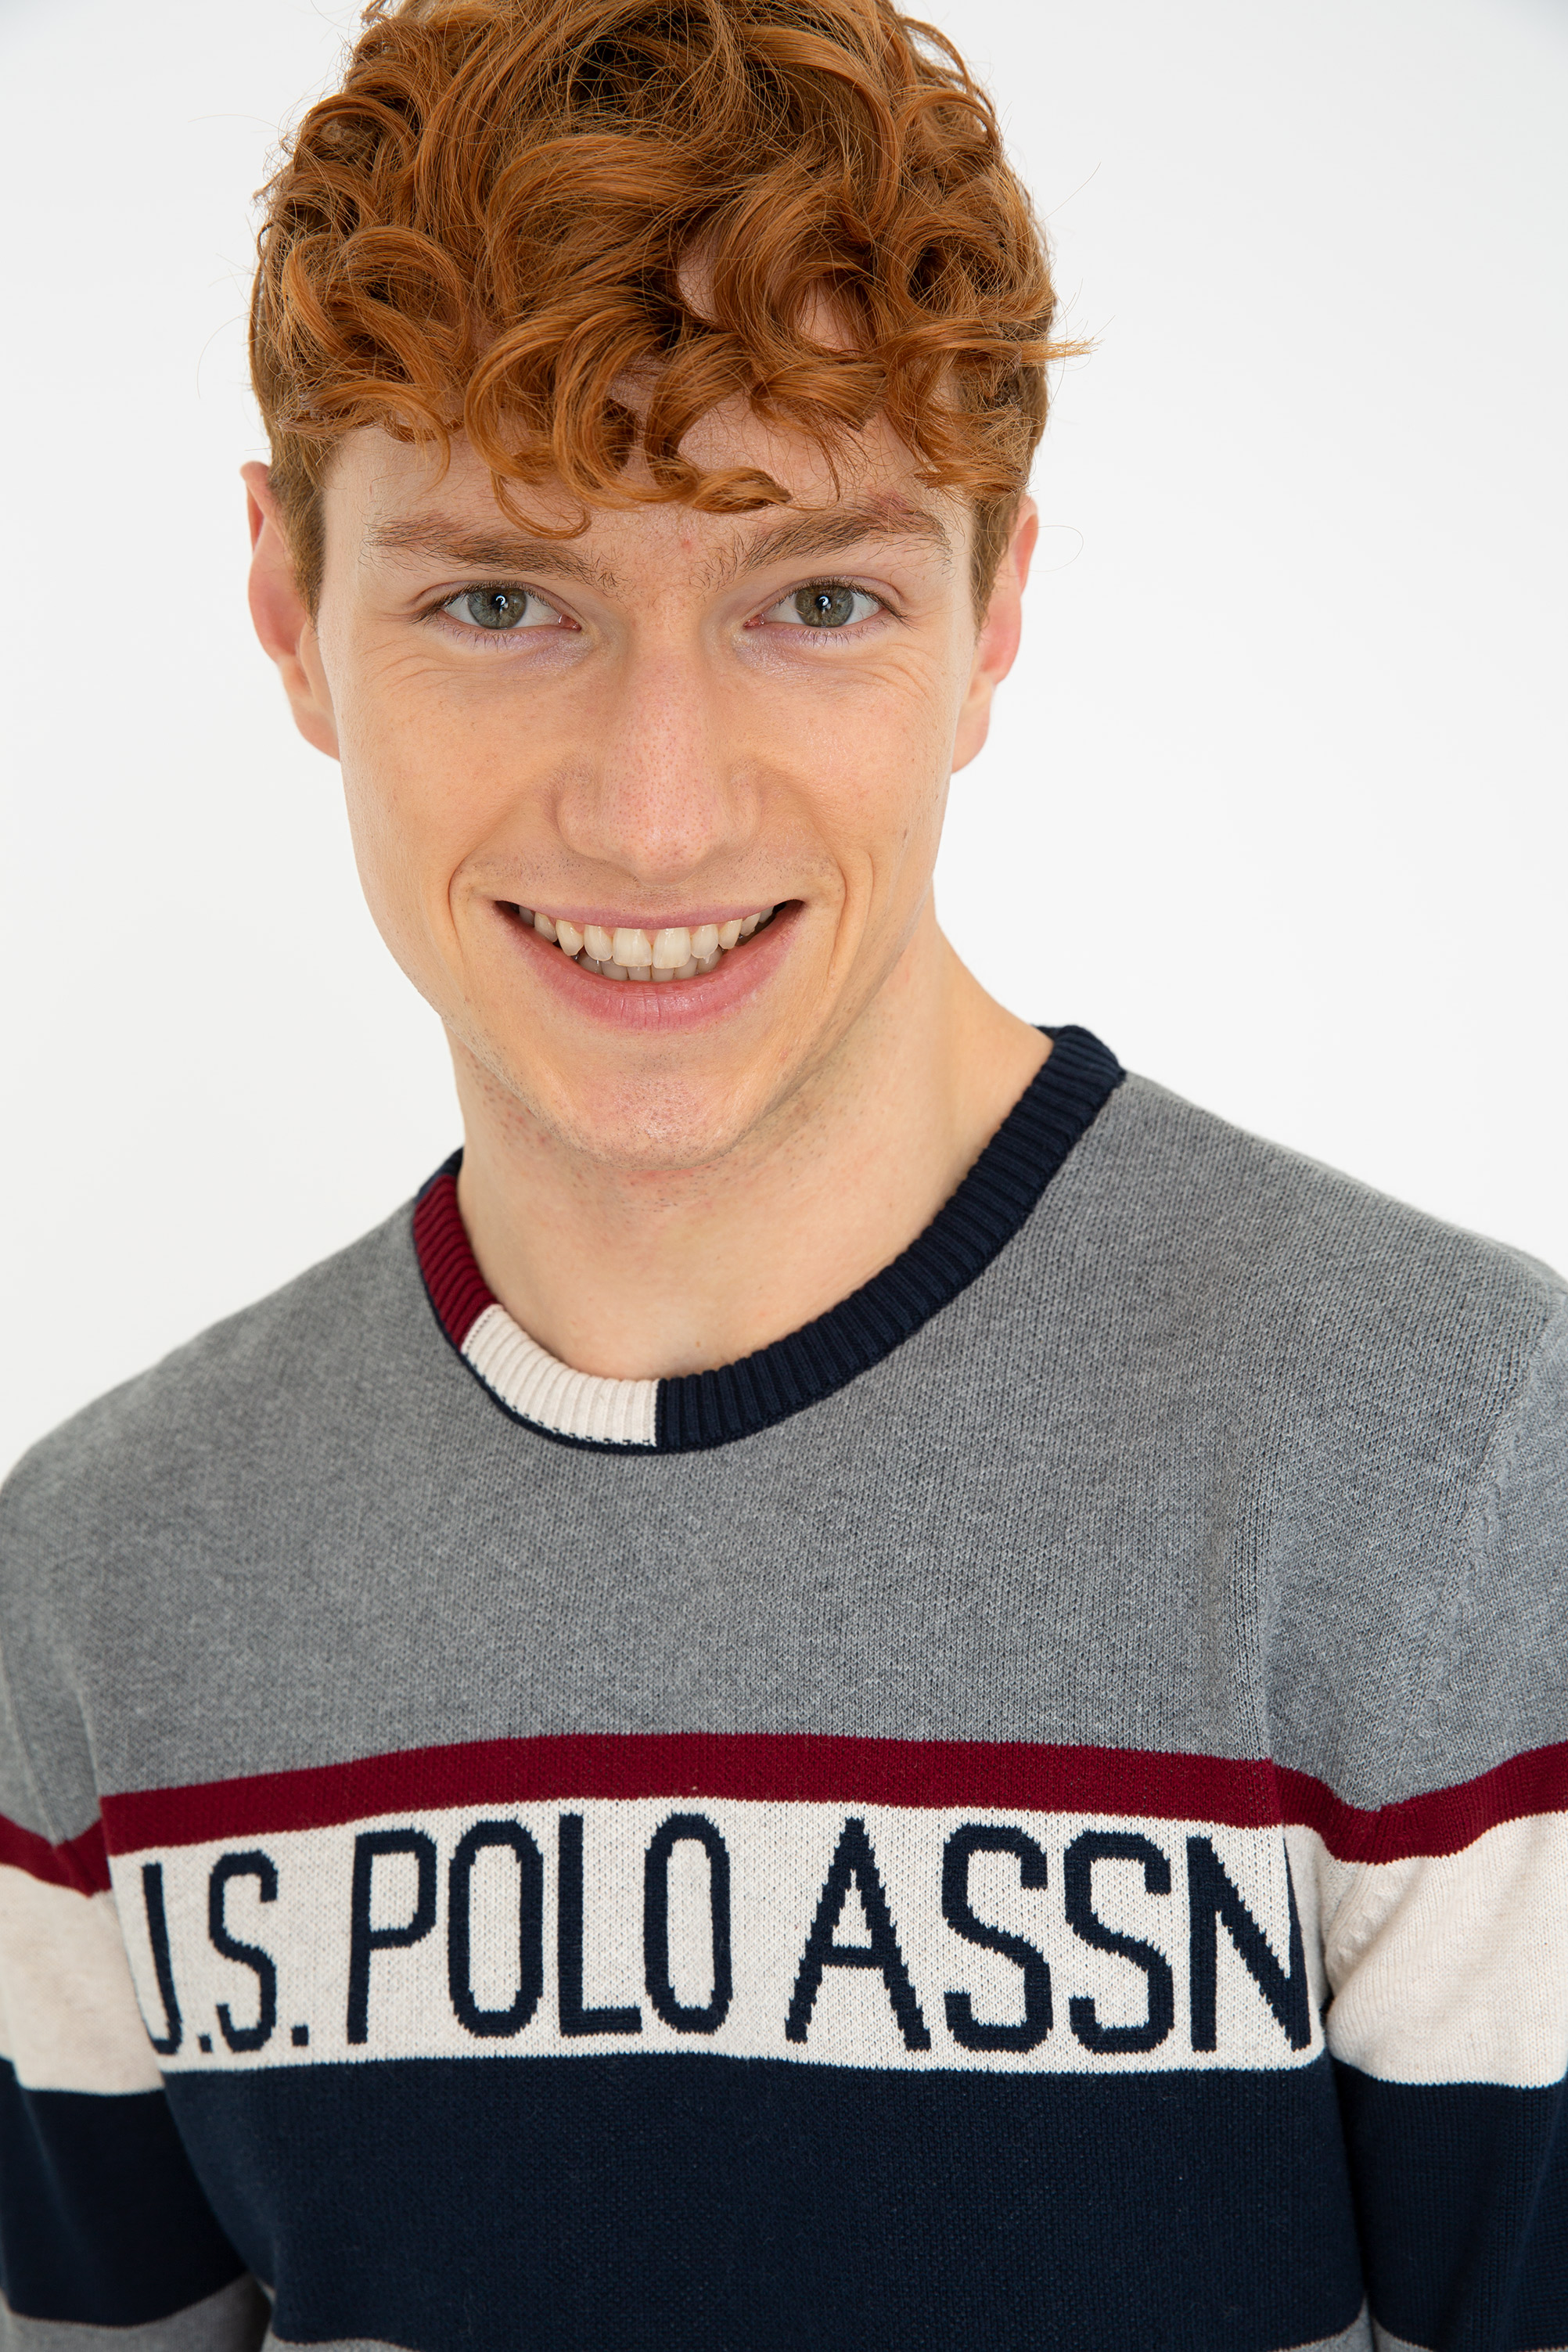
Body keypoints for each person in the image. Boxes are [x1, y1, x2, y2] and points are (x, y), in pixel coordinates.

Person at [1, 0, 1563, 2344]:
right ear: (286, 613)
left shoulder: (1463, 1475)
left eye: (816, 598)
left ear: (992, 616)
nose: (657, 815)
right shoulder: (96, 1591)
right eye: (498, 600)